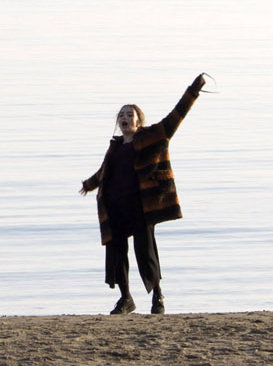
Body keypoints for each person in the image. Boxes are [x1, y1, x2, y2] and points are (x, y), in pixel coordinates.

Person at [78, 74, 208, 314]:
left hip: (141, 207)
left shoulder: (152, 137)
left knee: (145, 252)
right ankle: (126, 298)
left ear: (138, 120)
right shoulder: (115, 146)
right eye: (122, 115)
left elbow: (176, 115)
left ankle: (157, 297)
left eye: (130, 115)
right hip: (114, 207)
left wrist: (193, 90)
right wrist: (90, 183)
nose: (125, 118)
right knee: (116, 253)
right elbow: (106, 172)